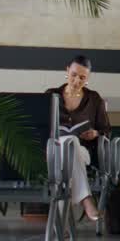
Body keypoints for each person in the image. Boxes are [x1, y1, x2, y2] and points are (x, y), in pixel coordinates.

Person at [46, 55, 111, 223]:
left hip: (82, 151)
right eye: (74, 75)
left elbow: (106, 130)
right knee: (65, 156)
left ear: (88, 78)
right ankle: (85, 201)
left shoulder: (94, 99)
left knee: (71, 143)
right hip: (55, 150)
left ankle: (63, 222)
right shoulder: (51, 95)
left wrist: (95, 133)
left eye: (82, 77)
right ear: (67, 70)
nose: (77, 80)